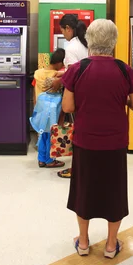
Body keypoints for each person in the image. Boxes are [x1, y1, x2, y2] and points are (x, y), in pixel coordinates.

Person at [62, 19, 133, 259]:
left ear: (89, 40)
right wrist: (124, 100)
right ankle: (110, 245)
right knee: (114, 191)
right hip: (115, 142)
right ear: (114, 43)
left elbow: (68, 105)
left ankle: (84, 243)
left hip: (85, 141)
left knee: (83, 191)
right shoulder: (123, 69)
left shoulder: (78, 69)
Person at [52, 14, 89, 179]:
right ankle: (86, 167)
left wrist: (59, 81)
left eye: (63, 30)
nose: (63, 34)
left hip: (78, 95)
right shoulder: (86, 43)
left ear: (68, 28)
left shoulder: (71, 47)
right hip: (90, 93)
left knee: (77, 132)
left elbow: (74, 74)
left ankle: (76, 168)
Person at [31, 48, 66, 168]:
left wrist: (35, 105)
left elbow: (33, 89)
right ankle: (50, 160)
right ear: (59, 63)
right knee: (52, 134)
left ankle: (41, 159)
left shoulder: (38, 73)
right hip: (52, 111)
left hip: (40, 108)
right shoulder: (56, 76)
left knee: (42, 134)